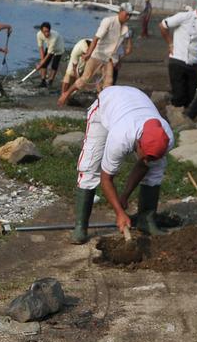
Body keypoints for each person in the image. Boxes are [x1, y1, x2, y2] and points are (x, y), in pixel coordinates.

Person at [71, 86, 173, 244]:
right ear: (138, 143)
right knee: (90, 166)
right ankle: (80, 226)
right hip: (107, 105)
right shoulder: (121, 137)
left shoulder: (166, 137)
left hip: (135, 101)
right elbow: (106, 178)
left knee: (155, 169)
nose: (147, 160)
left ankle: (145, 220)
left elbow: (144, 164)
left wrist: (124, 196)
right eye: (145, 156)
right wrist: (119, 212)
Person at [58, 4, 133, 106]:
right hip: (98, 54)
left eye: (130, 15)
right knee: (85, 78)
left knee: (108, 83)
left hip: (109, 58)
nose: (128, 17)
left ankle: (101, 105)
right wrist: (88, 53)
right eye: (127, 14)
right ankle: (66, 94)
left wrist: (120, 58)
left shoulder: (125, 29)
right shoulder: (108, 21)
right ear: (120, 11)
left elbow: (125, 49)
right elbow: (96, 38)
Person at [161, 0, 197, 108]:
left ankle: (182, 116)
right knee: (179, 96)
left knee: (190, 96)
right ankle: (173, 115)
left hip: (193, 63)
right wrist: (170, 44)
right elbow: (163, 25)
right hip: (178, 60)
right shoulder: (185, 17)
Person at [35, 22, 66, 87]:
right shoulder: (39, 34)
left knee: (54, 65)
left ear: (50, 30)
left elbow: (49, 53)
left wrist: (41, 64)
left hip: (59, 48)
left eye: (48, 31)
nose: (46, 33)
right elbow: (41, 47)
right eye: (44, 32)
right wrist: (42, 61)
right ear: (41, 31)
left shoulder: (54, 36)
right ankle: (43, 81)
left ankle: (50, 81)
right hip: (49, 46)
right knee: (44, 64)